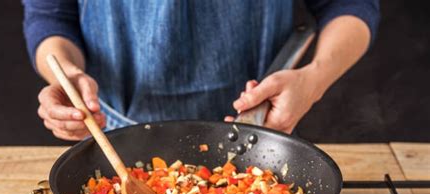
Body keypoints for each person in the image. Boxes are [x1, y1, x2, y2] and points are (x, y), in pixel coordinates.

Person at [23, 0, 379, 140]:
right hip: (112, 139)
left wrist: (314, 78)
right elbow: (50, 17)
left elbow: (350, 4)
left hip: (258, 136)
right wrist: (66, 76)